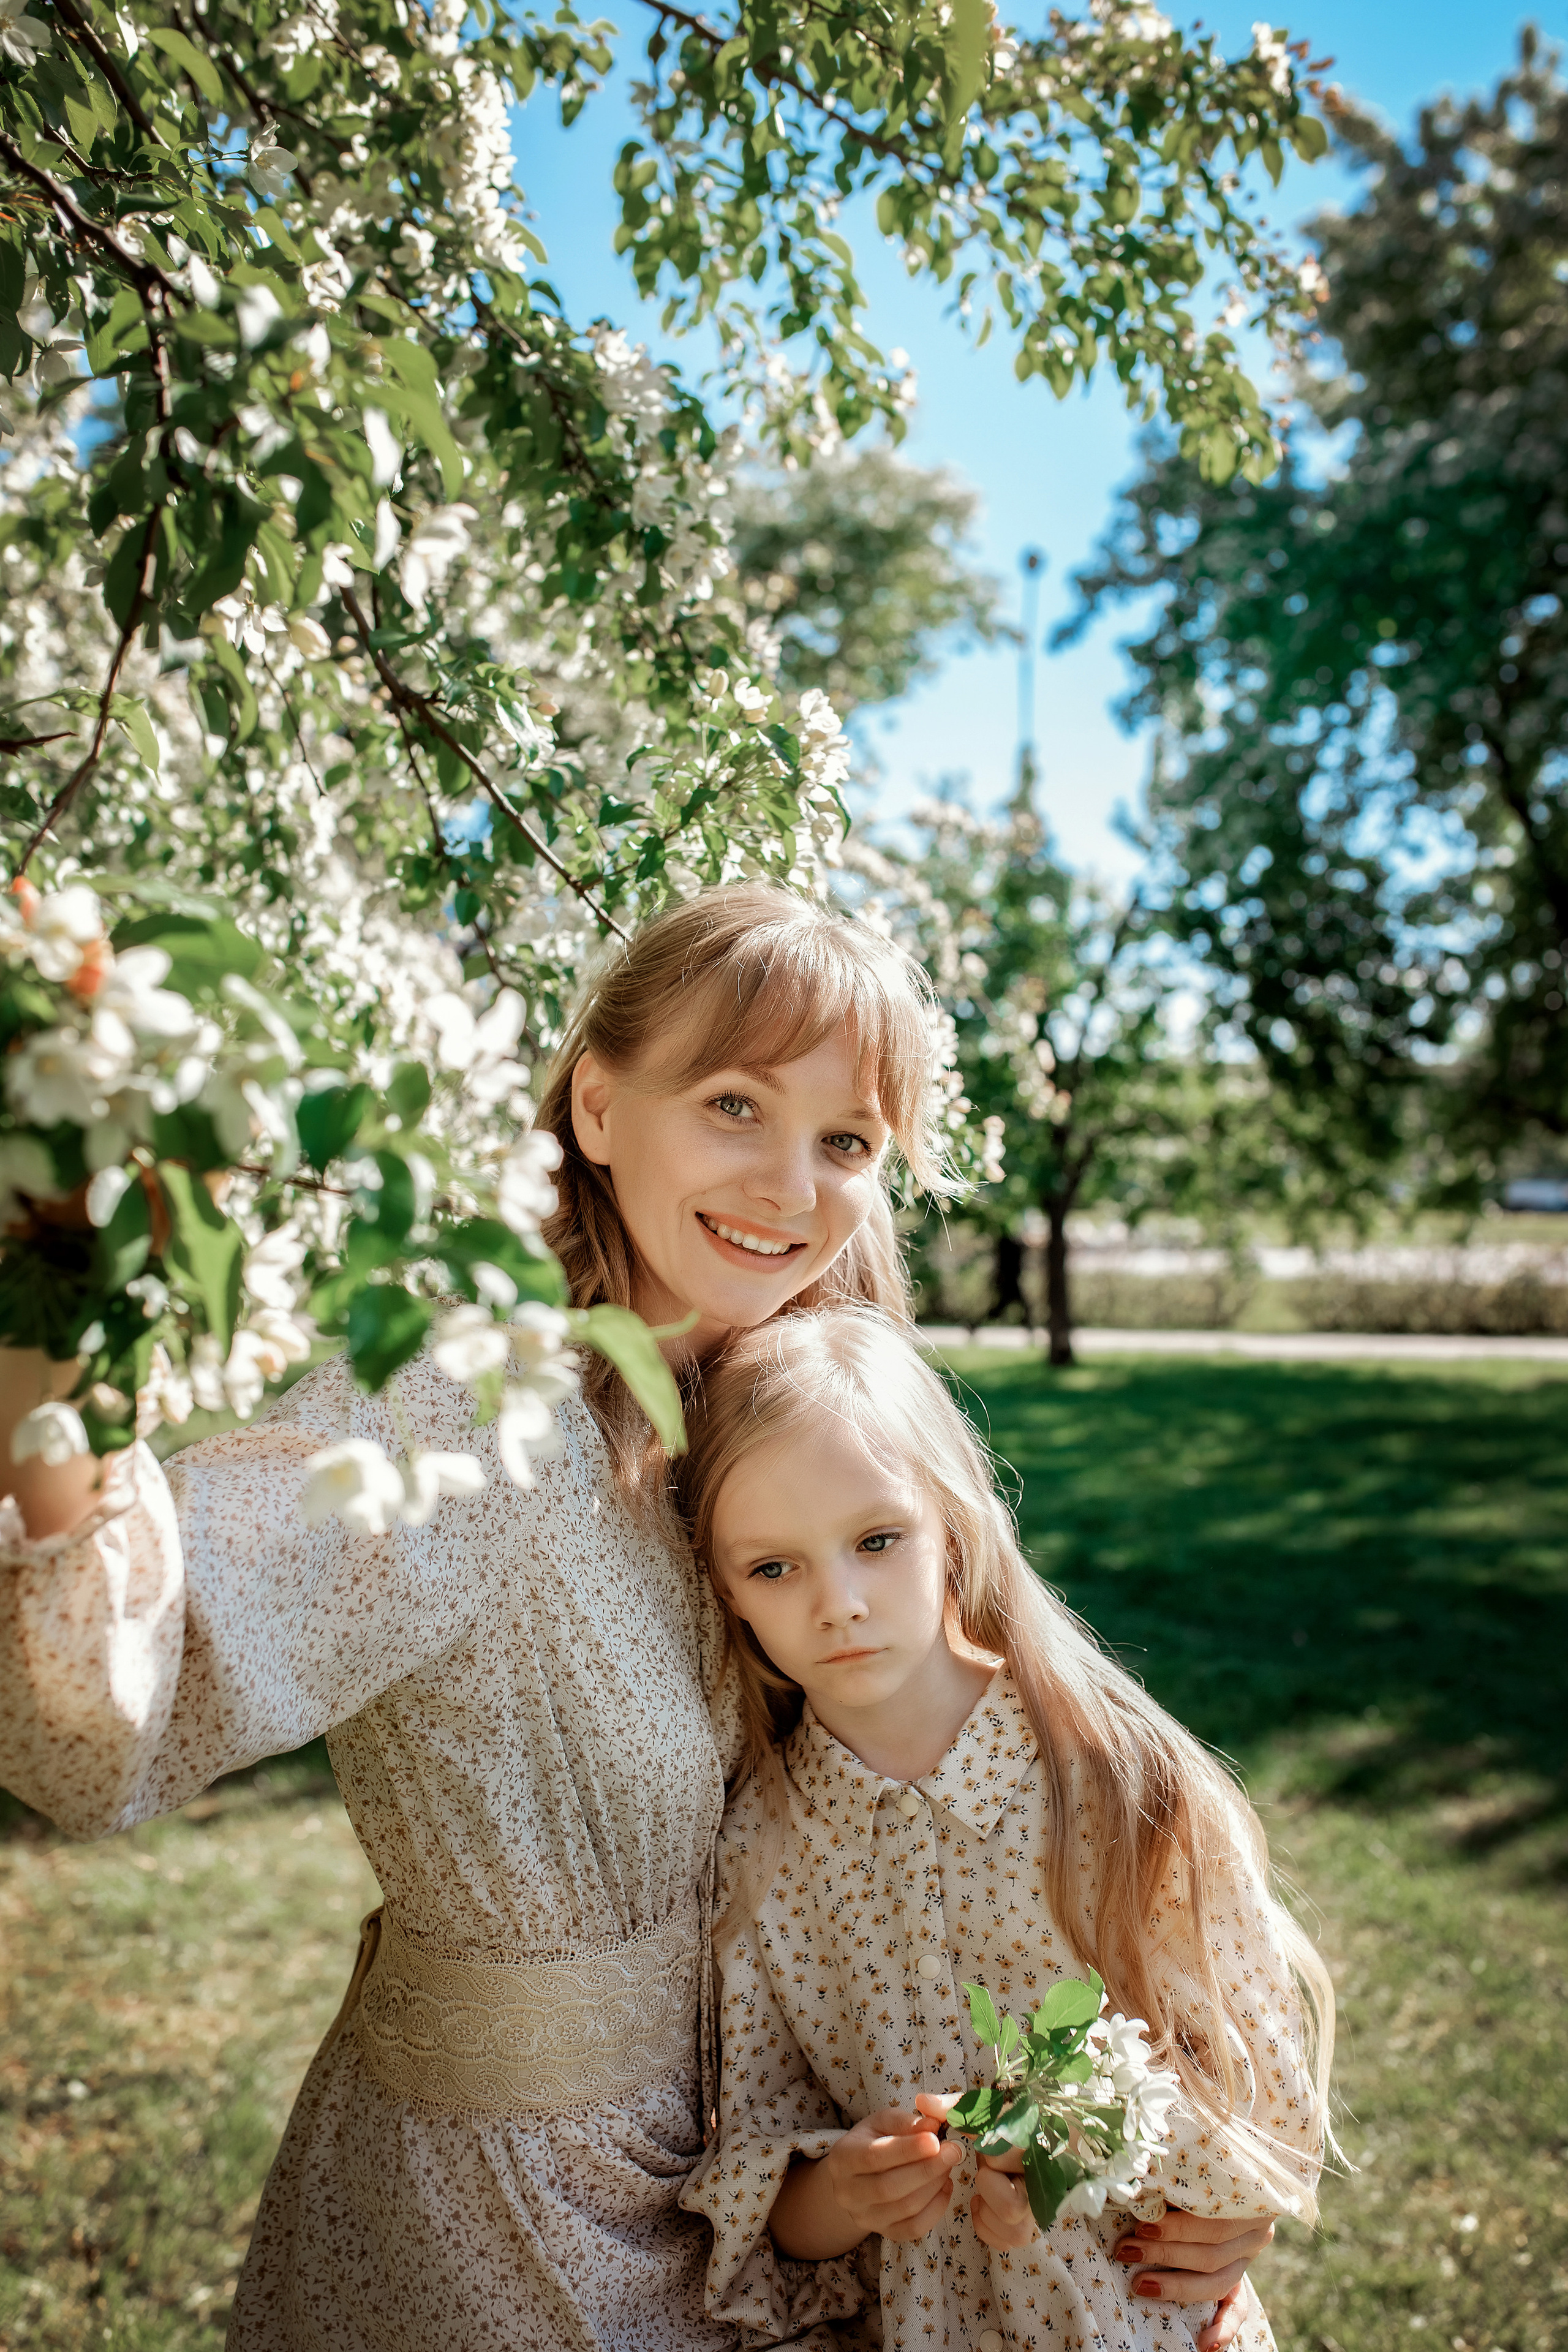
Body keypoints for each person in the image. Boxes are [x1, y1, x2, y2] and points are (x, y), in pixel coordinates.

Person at [0, 883, 1273, 2351]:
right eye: (734, 1104)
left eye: (845, 1141)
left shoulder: (802, 1431)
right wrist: (57, 1305)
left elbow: (1027, 1810)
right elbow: (110, 1704)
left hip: (852, 2212)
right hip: (515, 2213)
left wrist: (1179, 2161)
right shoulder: (463, 1423)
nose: (792, 1188)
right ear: (597, 1107)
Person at [674, 1303, 1334, 2352]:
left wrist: (1072, 2151)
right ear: (722, 1587)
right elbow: (768, 2200)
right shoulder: (760, 1850)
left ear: (953, 1523)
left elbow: (1260, 2104)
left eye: (876, 1541)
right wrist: (845, 2192)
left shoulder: (1114, 1784)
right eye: (773, 1568)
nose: (837, 1602)